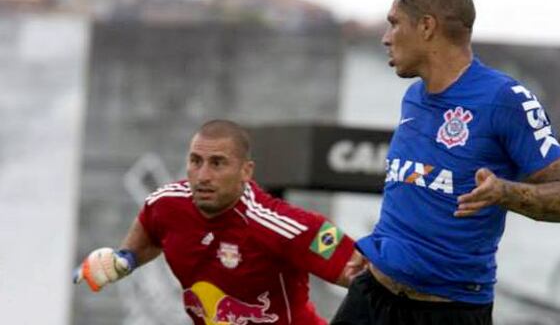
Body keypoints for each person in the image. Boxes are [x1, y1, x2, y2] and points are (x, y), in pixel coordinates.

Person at [331, 0, 560, 325]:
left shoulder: (505, 99)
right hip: (372, 294)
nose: (386, 37)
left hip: (449, 311)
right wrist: (383, 247)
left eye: (394, 23)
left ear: (426, 27)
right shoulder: (413, 96)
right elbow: (415, 186)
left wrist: (504, 192)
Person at [75, 119, 365, 325]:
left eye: (217, 163)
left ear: (246, 171)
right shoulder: (164, 204)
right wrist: (121, 261)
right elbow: (148, 239)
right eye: (195, 161)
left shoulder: (284, 225)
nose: (202, 176)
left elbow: (370, 278)